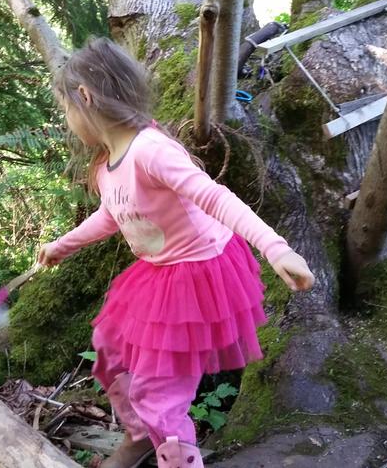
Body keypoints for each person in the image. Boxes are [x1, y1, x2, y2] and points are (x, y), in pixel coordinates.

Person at [39, 37, 315, 468]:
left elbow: (216, 198)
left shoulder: (151, 151)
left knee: (159, 391)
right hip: (158, 274)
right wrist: (61, 246)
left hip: (198, 276)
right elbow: (111, 216)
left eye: (66, 108)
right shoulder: (108, 161)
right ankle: (143, 434)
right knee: (110, 350)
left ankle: (173, 447)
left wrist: (275, 247)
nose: (67, 119)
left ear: (85, 98)